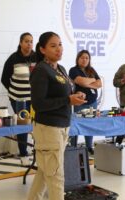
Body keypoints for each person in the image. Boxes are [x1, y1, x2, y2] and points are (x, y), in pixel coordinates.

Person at [27, 32, 87, 200]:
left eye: (60, 44)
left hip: (62, 126)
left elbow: (64, 94)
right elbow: (38, 104)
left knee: (45, 173)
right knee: (56, 176)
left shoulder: (60, 69)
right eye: (53, 46)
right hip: (48, 128)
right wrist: (68, 99)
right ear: (42, 49)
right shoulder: (41, 70)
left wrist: (76, 96)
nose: (58, 49)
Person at [1, 32, 36, 166]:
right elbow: (5, 78)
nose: (29, 44)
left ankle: (37, 151)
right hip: (18, 98)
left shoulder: (37, 57)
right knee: (23, 124)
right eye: (26, 41)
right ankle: (23, 154)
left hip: (34, 98)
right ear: (21, 43)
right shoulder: (13, 58)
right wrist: (13, 91)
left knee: (35, 124)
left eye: (31, 41)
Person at [68, 50, 102, 155]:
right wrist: (92, 81)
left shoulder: (91, 70)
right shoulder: (73, 70)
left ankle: (89, 147)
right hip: (80, 103)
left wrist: (87, 83)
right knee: (76, 126)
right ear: (78, 59)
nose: (84, 60)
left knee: (90, 126)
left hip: (92, 103)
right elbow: (80, 81)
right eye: (82, 57)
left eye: (87, 58)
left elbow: (99, 83)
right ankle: (72, 147)